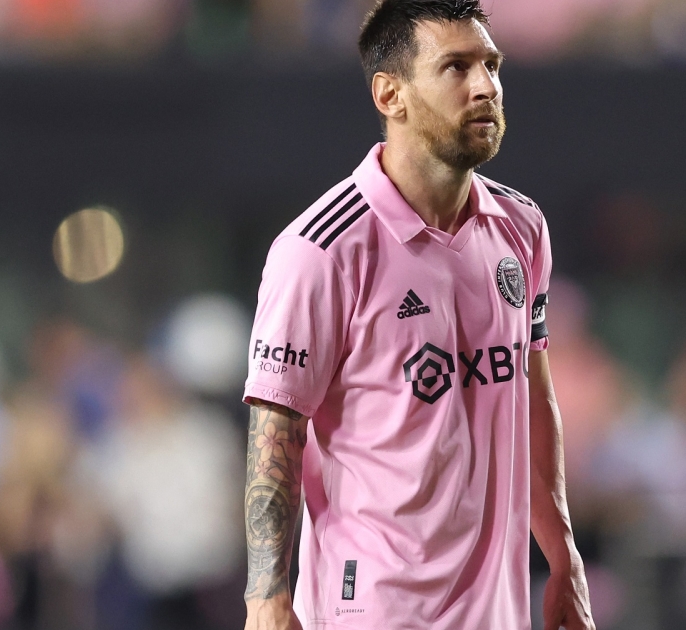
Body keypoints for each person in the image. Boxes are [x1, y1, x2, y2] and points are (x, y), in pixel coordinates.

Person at [240, 1, 594, 628]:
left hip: (496, 611)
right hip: (373, 608)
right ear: (390, 95)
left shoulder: (522, 228)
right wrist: (267, 598)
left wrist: (562, 553)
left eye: (491, 65)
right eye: (456, 67)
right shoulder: (320, 250)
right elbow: (277, 431)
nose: (485, 86)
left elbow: (532, 398)